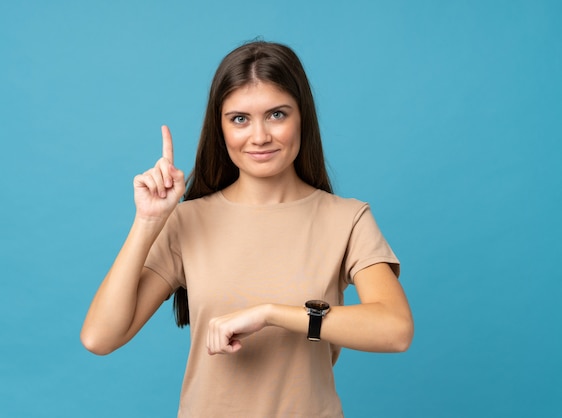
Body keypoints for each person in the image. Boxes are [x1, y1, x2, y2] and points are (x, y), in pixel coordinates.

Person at [80, 41, 413, 417]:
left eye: (276, 115)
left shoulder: (347, 219)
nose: (259, 137)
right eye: (239, 119)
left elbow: (395, 329)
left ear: (302, 116)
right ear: (220, 127)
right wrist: (147, 221)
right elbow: (99, 338)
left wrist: (271, 314)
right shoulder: (189, 221)